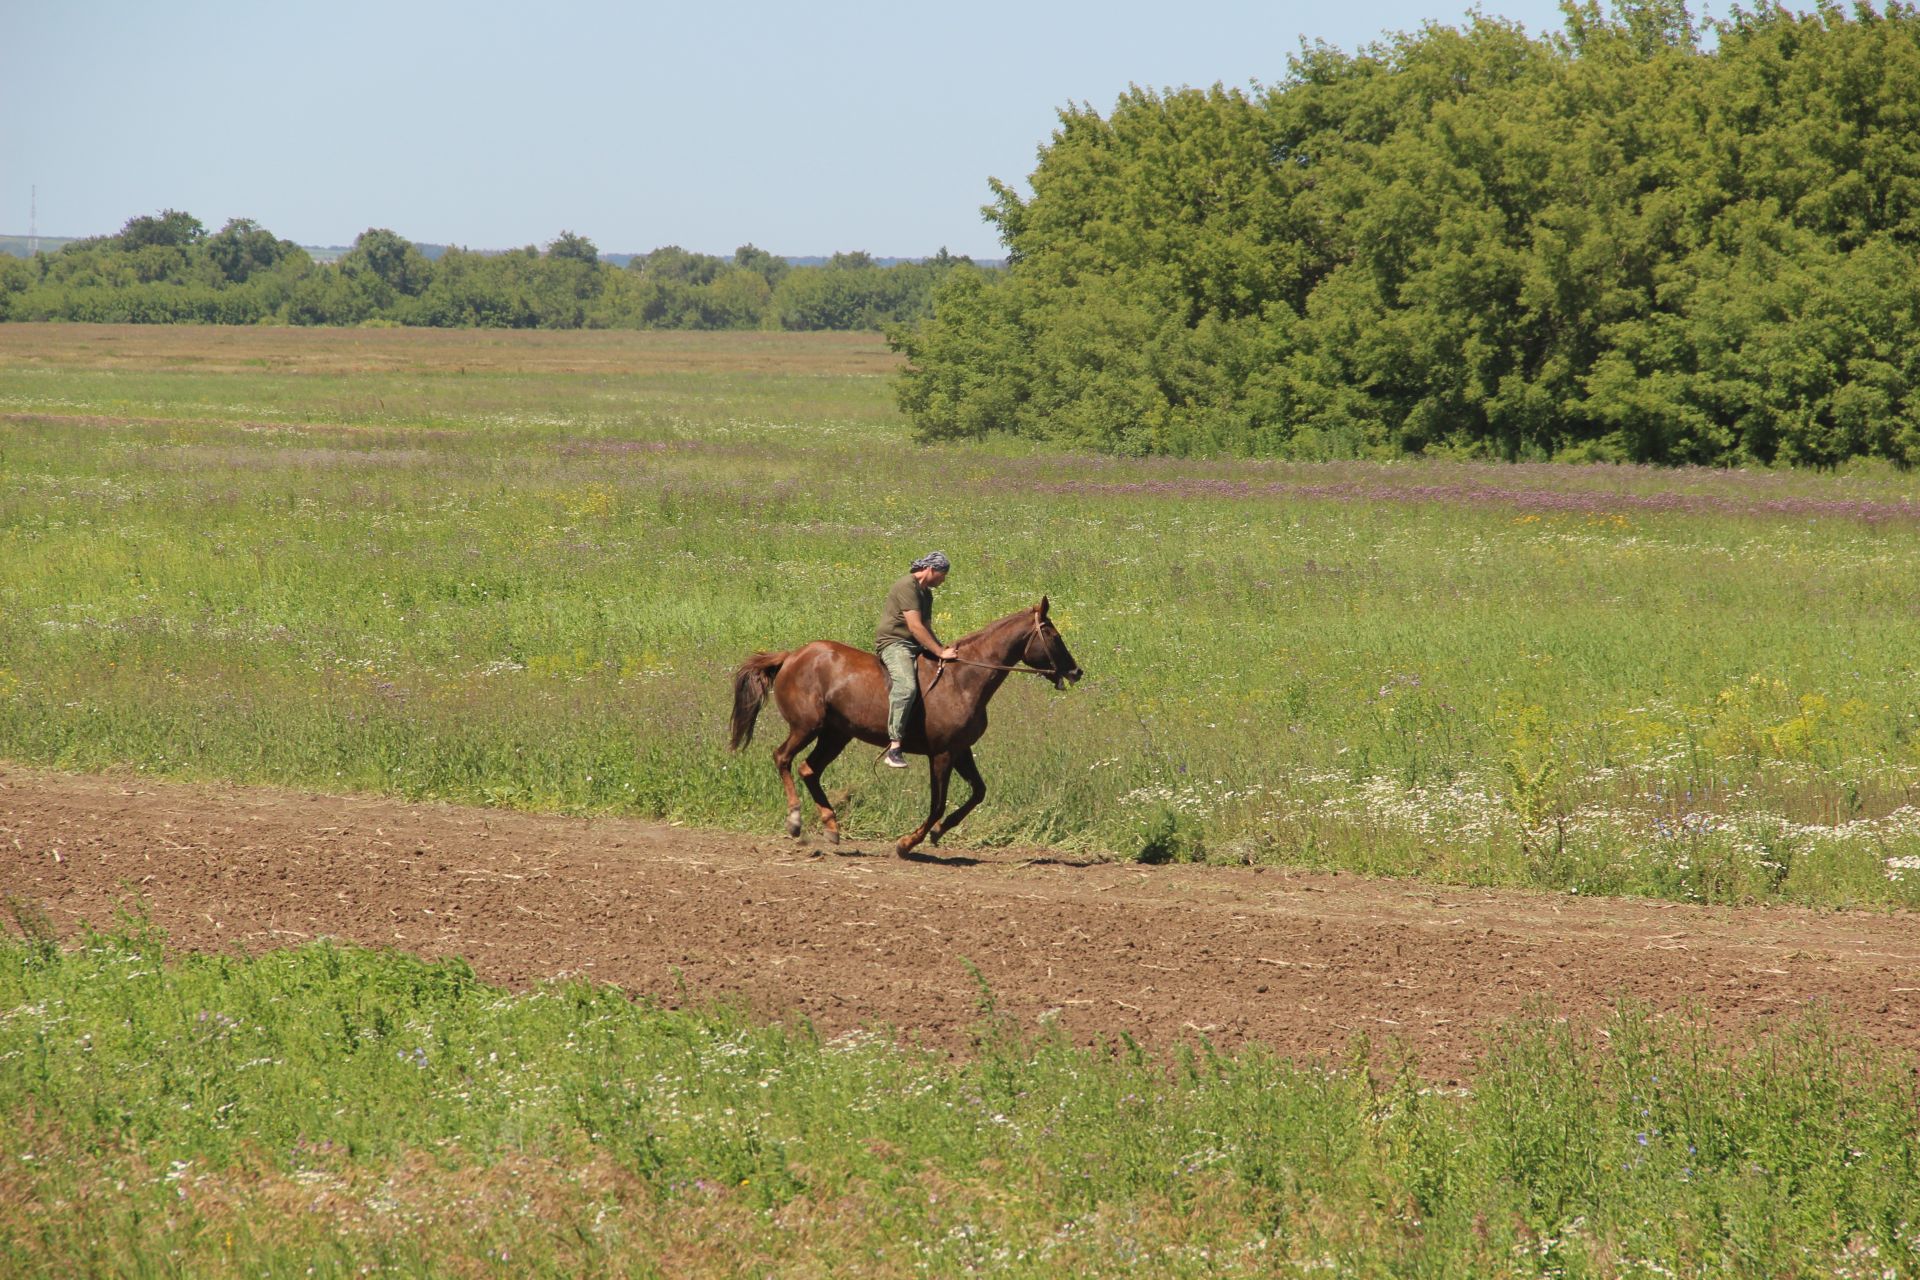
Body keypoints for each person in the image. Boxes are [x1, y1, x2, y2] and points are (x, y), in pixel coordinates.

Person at [876, 551, 958, 767]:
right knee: (906, 687)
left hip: (915, 644)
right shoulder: (907, 586)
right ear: (930, 570)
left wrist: (941, 648)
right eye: (942, 575)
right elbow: (915, 626)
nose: (943, 580)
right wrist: (939, 652)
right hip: (895, 643)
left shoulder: (926, 594)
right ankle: (894, 747)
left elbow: (927, 628)